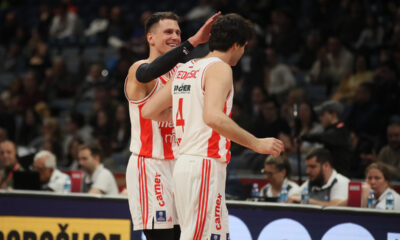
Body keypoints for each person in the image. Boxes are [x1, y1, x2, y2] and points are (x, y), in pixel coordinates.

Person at [142, 13, 284, 240]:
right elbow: (214, 117)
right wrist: (257, 143)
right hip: (203, 163)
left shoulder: (186, 68)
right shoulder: (220, 68)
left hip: (185, 164)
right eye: (244, 47)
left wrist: (190, 114)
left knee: (212, 235)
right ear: (237, 45)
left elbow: (149, 110)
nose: (243, 52)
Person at [124, 11, 221, 240]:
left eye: (178, 32)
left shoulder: (183, 72)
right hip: (151, 166)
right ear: (150, 38)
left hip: (180, 165)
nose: (175, 37)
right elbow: (148, 73)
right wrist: (194, 41)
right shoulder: (139, 69)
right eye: (168, 32)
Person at [300, 100, 353, 176]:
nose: (320, 118)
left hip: (341, 176)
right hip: (331, 174)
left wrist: (304, 137)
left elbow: (324, 137)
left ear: (333, 115)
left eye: (322, 114)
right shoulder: (330, 129)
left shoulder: (341, 129)